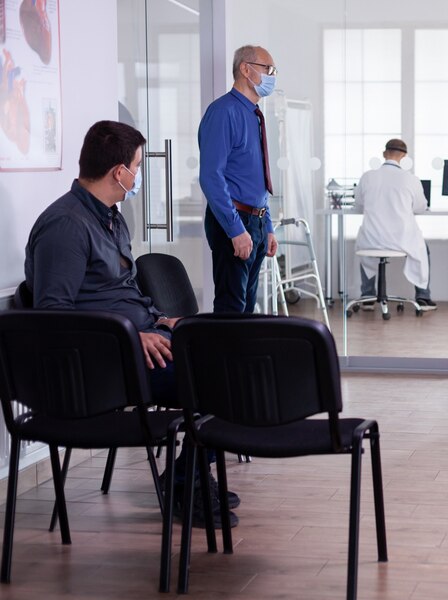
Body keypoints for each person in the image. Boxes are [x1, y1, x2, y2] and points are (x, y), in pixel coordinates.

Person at [24, 120, 239, 528]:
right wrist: (128, 338)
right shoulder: (66, 227)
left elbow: (119, 293)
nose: (138, 175)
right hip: (107, 367)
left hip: (143, 343)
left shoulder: (110, 217)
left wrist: (159, 320)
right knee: (219, 379)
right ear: (118, 172)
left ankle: (186, 476)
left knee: (228, 353)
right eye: (137, 167)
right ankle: (184, 480)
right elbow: (51, 319)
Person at [199, 44, 279, 314]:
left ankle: (243, 358)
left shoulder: (254, 115)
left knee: (246, 307)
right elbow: (211, 177)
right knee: (231, 308)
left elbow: (256, 177)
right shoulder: (224, 112)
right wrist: (235, 230)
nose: (271, 75)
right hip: (233, 220)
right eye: (267, 69)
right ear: (246, 69)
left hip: (254, 220)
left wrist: (266, 225)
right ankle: (224, 358)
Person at [355, 138, 435, 310]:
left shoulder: (368, 177)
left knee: (365, 243)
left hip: (372, 239)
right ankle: (423, 297)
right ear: (404, 156)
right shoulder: (411, 179)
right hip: (401, 240)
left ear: (384, 154)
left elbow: (358, 206)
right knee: (423, 248)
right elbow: (421, 208)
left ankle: (367, 295)